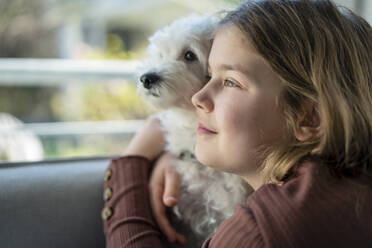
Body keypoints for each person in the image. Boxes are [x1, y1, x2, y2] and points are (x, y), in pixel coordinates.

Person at [102, 0, 372, 247]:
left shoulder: (260, 231)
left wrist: (134, 158)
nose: (198, 96)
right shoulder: (348, 185)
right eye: (209, 75)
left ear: (309, 117)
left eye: (230, 82)